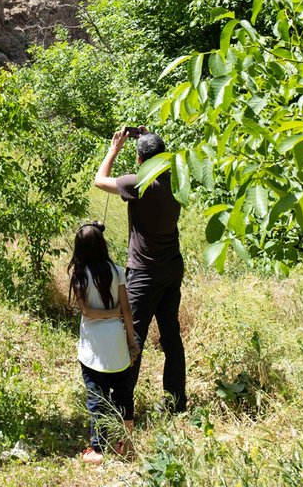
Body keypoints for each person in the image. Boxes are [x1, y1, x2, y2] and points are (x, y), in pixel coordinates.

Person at [94, 127, 187, 415]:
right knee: (171, 336)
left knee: (133, 337)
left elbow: (99, 180)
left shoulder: (139, 183)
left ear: (139, 160)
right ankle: (176, 403)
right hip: (172, 267)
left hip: (145, 273)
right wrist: (149, 137)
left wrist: (113, 150)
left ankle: (123, 408)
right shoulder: (176, 179)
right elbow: (157, 157)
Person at [68, 220, 140, 465]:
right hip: (117, 344)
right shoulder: (117, 271)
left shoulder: (79, 275)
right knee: (123, 394)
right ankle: (125, 445)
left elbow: (87, 311)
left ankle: (97, 449)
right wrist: (131, 342)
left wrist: (108, 313)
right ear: (102, 244)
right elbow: (127, 311)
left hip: (93, 348)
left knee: (96, 398)